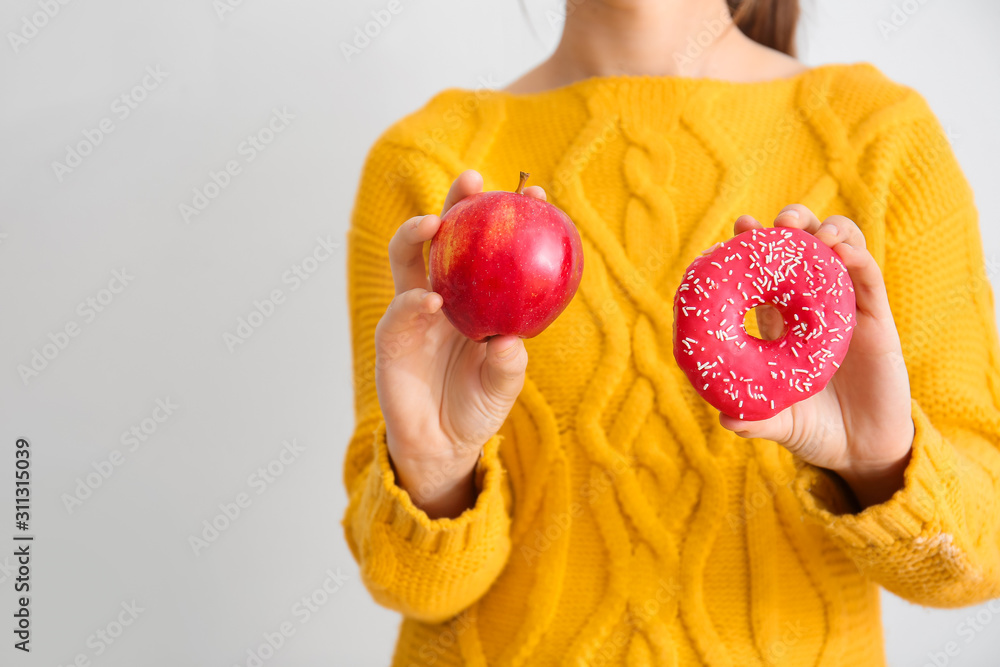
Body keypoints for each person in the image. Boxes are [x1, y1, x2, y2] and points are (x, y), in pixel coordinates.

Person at [342, 1, 1000, 664]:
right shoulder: (426, 164)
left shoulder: (878, 137)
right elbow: (409, 585)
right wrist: (434, 470)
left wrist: (879, 462)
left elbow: (982, 557)